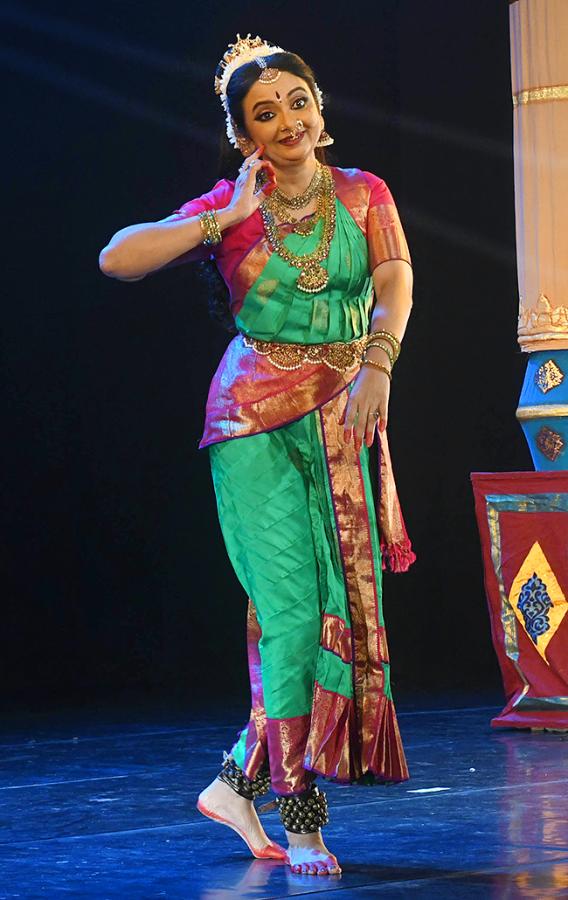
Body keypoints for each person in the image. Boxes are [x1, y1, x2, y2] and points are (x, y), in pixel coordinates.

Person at [99, 34, 415, 877]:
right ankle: (300, 814)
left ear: (321, 108)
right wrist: (220, 220)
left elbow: (394, 282)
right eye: (264, 114)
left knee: (334, 612)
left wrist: (378, 365)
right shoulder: (232, 202)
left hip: (345, 415)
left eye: (297, 103)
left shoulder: (364, 192)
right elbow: (117, 257)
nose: (287, 123)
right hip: (252, 423)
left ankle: (237, 781)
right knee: (292, 613)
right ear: (243, 135)